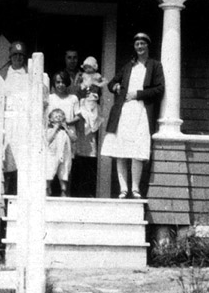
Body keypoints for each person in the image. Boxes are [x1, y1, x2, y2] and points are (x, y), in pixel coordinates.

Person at [102, 33, 164, 199]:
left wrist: (137, 94)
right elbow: (111, 83)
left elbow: (159, 89)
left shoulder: (154, 66)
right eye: (137, 44)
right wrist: (116, 87)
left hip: (142, 111)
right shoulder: (129, 66)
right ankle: (123, 189)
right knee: (121, 150)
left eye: (142, 43)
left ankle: (135, 188)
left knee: (137, 149)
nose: (140, 47)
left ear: (147, 46)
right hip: (124, 112)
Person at [0, 41, 48, 195]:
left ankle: (21, 194)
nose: (18, 58)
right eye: (15, 55)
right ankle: (6, 193)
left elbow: (41, 95)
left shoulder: (29, 75)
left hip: (24, 122)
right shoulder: (2, 75)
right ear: (10, 57)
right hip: (7, 121)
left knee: (23, 160)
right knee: (7, 159)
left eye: (21, 55)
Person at [70, 57, 104, 197]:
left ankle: (89, 189)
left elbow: (99, 88)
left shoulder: (96, 77)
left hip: (92, 105)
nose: (88, 70)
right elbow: (77, 91)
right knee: (79, 152)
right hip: (82, 106)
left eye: (91, 67)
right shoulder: (81, 77)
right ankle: (77, 190)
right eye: (86, 67)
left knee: (90, 151)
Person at [44, 106, 76, 196]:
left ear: (64, 118)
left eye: (60, 116)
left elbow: (74, 139)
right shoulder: (49, 130)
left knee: (64, 170)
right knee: (50, 170)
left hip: (65, 154)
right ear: (50, 120)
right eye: (55, 116)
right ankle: (47, 188)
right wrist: (55, 128)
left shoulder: (67, 130)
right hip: (52, 153)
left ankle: (63, 190)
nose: (58, 118)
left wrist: (66, 128)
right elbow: (48, 139)